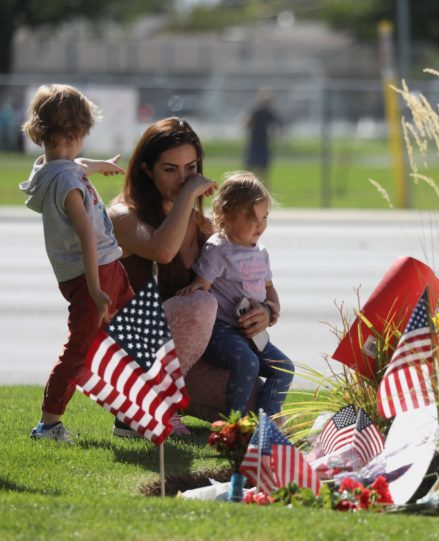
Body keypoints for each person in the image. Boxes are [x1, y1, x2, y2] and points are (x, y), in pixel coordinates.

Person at [108, 117, 272, 433]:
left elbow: (255, 277)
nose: (184, 179)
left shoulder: (202, 226)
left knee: (258, 406)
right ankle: (135, 412)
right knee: (200, 304)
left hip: (188, 358)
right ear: (146, 169)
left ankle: (174, 399)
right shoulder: (123, 214)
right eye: (170, 169)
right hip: (136, 353)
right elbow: (162, 251)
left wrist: (266, 311)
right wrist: (188, 195)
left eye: (191, 169)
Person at [20, 84, 133, 442]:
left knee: (129, 337)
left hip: (103, 268)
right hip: (93, 275)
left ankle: (128, 417)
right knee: (80, 346)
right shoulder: (68, 186)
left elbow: (76, 164)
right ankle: (48, 424)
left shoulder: (50, 168)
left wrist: (101, 166)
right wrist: (97, 291)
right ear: (77, 131)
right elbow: (86, 235)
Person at [177, 171, 293, 417]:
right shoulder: (219, 249)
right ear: (226, 216)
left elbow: (270, 288)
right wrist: (193, 288)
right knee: (247, 363)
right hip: (222, 332)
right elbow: (203, 286)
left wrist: (272, 308)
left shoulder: (261, 252)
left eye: (265, 217)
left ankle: (266, 423)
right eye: (251, 217)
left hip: (252, 333)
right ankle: (234, 426)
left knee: (284, 368)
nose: (260, 225)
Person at [245, 88, 280, 185]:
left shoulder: (270, 113)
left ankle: (264, 190)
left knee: (264, 170)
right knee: (249, 168)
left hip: (264, 144)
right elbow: (247, 122)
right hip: (255, 143)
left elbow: (276, 125)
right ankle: (247, 187)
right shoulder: (256, 112)